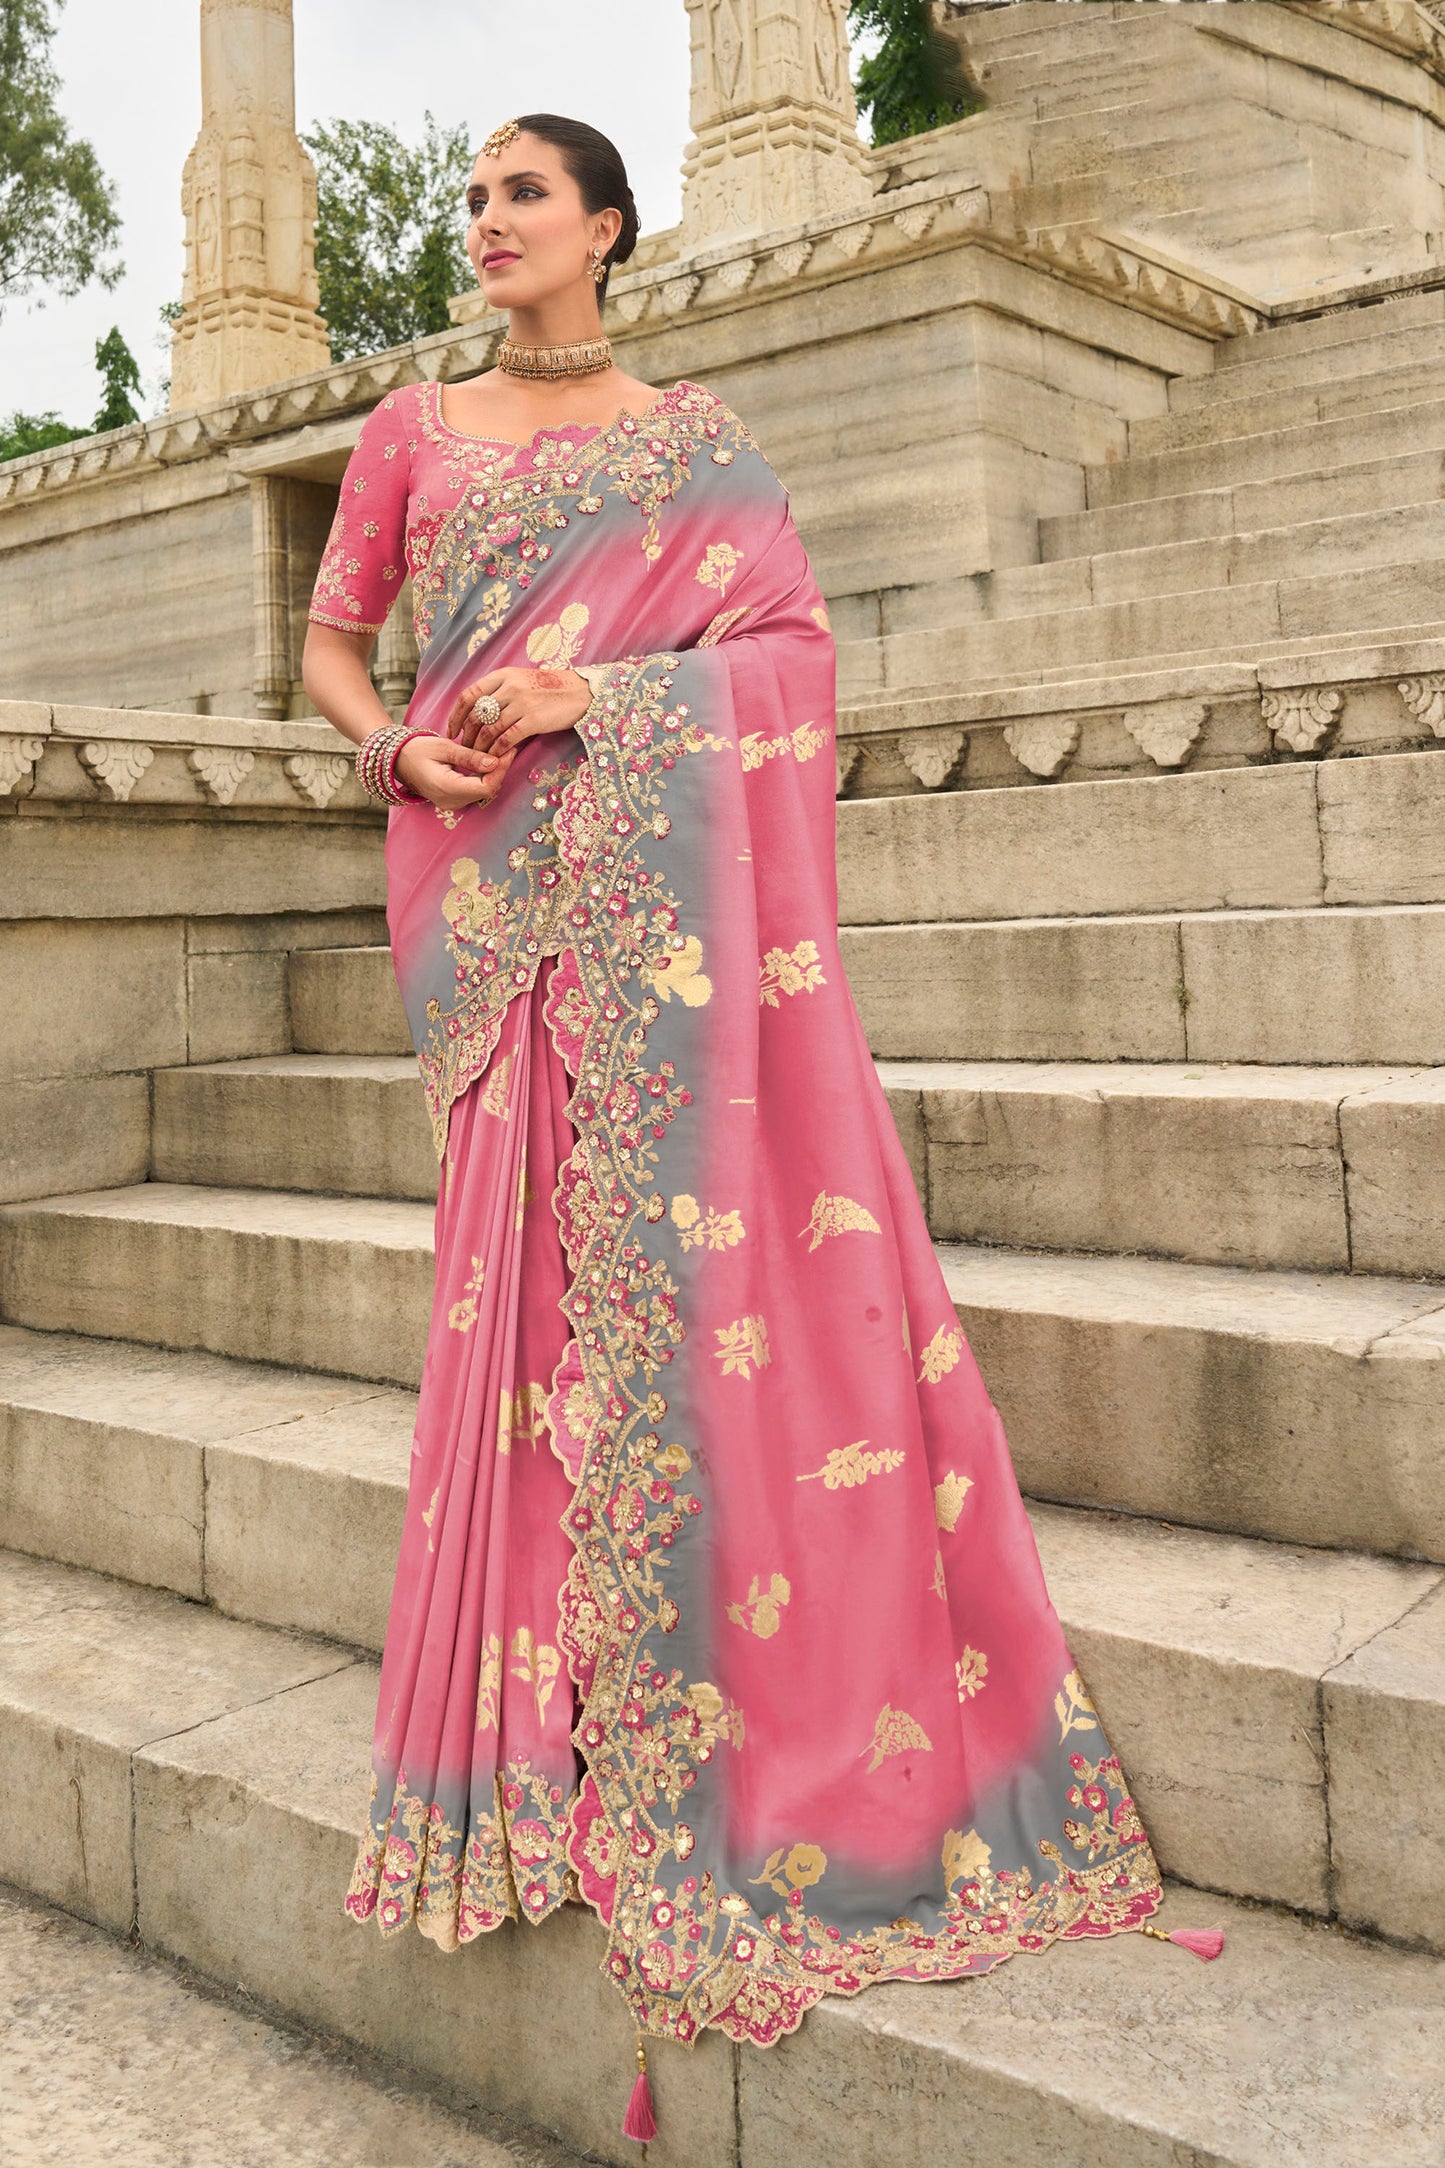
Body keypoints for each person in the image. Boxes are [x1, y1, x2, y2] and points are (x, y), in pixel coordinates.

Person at [301, 110, 1217, 2147]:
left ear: (607, 227)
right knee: (514, 1303)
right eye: (474, 198)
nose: (487, 222)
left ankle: (677, 1709)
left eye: (523, 194)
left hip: (658, 920)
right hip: (487, 903)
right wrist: (395, 750)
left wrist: (599, 705)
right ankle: (519, 1731)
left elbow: (793, 663)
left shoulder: (696, 443)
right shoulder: (411, 433)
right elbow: (331, 643)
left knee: (658, 1305)